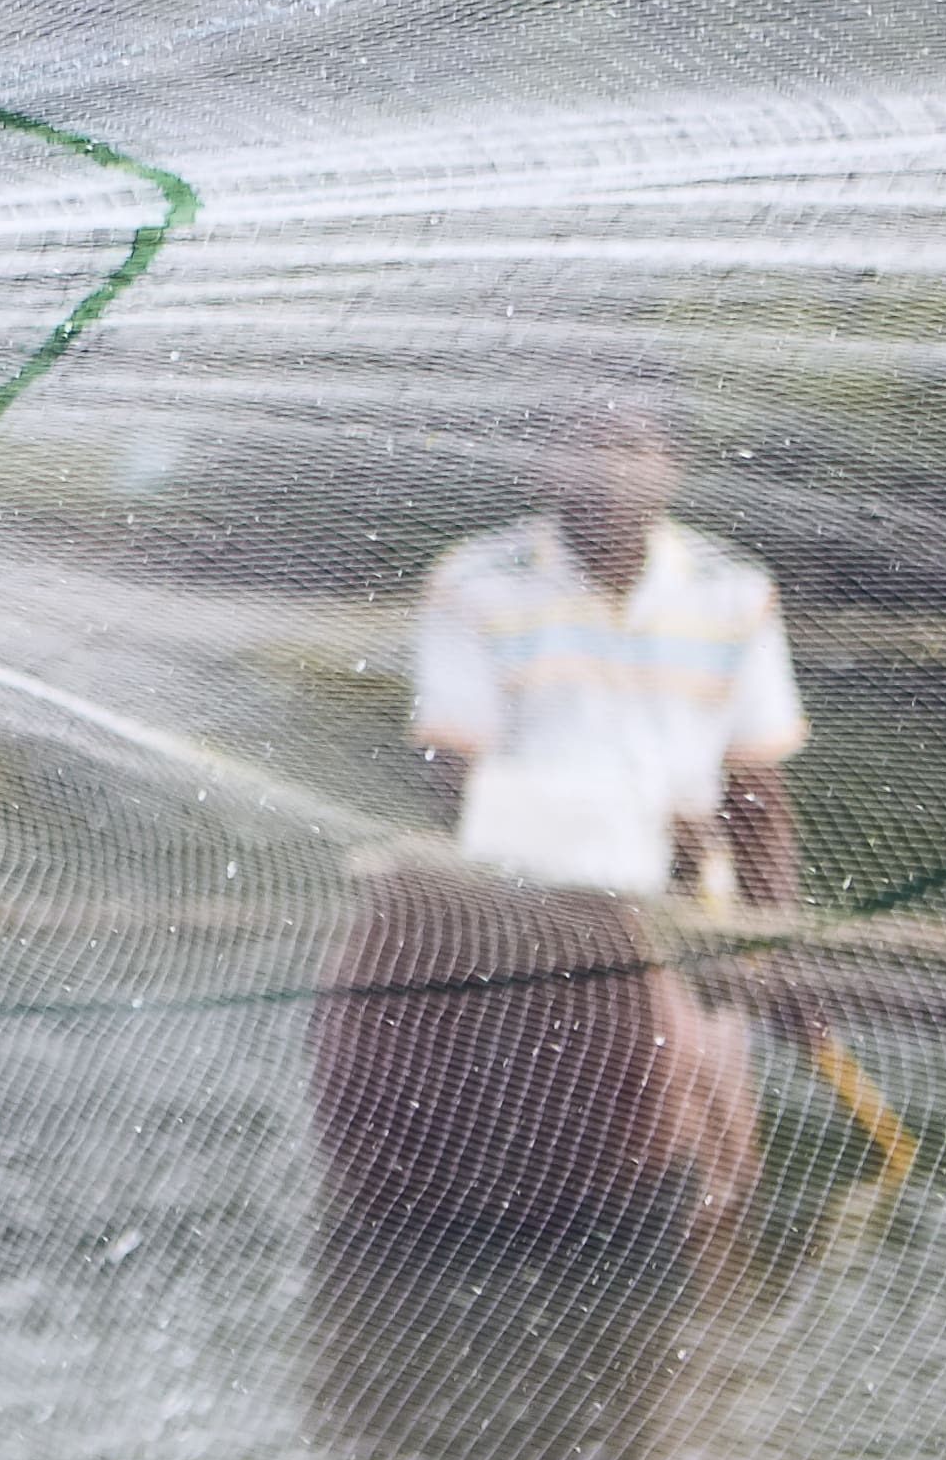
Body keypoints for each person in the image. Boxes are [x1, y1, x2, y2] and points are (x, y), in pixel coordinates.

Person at [312, 392, 809, 1236]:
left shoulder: (733, 591)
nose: (607, 471)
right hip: (516, 894)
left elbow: (756, 791)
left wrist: (776, 944)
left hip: (683, 904)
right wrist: (635, 830)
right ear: (539, 464)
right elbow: (457, 781)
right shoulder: (476, 584)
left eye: (631, 448)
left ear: (671, 466)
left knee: (702, 1155)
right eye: (581, 446)